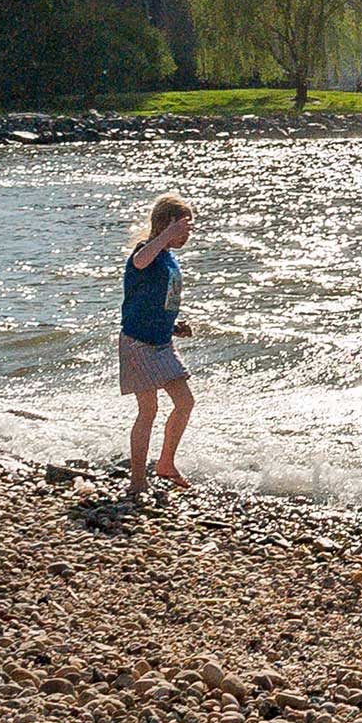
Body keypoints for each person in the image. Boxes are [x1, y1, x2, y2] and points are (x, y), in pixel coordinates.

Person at [119, 194, 196, 499]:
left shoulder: (167, 257)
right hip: (138, 342)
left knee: (184, 402)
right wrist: (166, 235)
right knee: (148, 410)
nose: (188, 234)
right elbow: (139, 263)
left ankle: (165, 463)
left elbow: (155, 298)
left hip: (161, 341)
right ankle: (138, 479)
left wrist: (173, 325)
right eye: (184, 228)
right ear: (166, 224)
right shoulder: (146, 251)